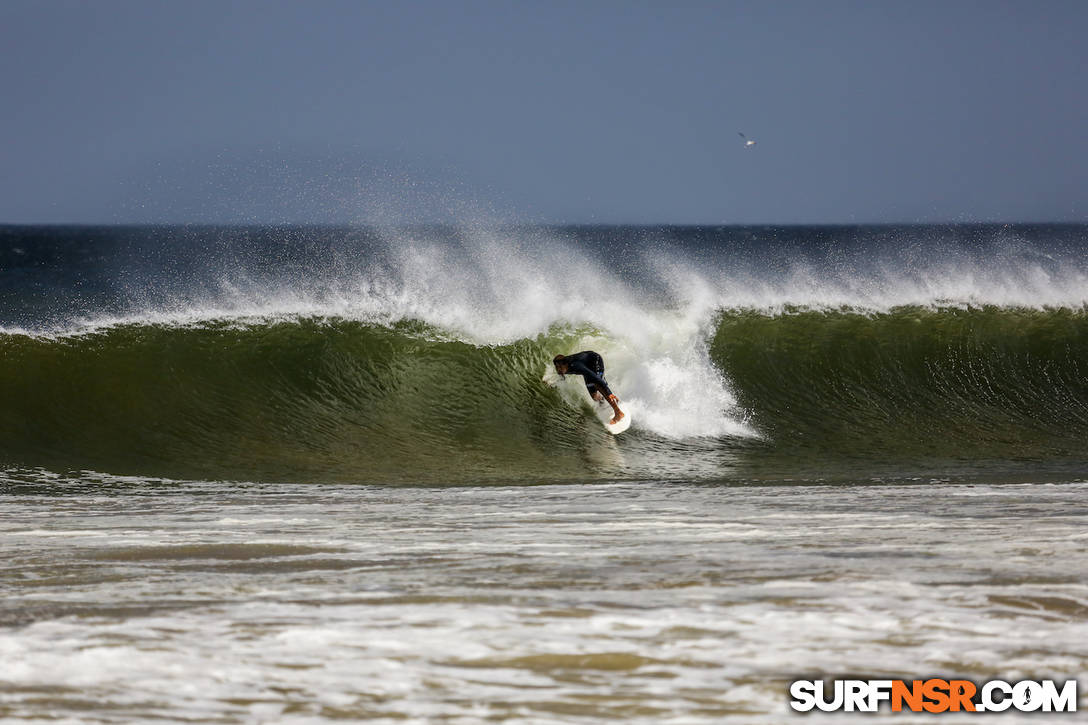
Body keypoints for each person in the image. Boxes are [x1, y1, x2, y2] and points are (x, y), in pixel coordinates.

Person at [553, 351, 625, 425]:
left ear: (566, 364)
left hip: (595, 360)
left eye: (560, 367)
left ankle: (618, 412)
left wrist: (609, 393)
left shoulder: (576, 365)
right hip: (585, 365)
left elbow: (597, 379)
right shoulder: (562, 368)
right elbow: (561, 375)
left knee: (597, 384)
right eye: (556, 367)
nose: (558, 369)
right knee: (594, 396)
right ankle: (603, 403)